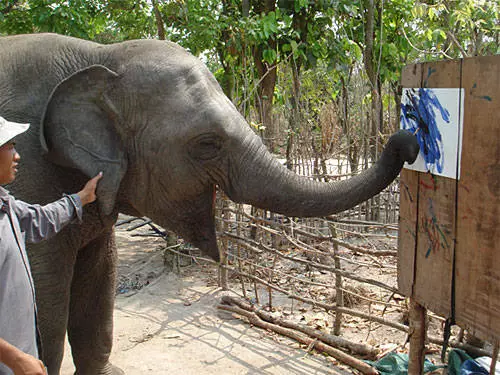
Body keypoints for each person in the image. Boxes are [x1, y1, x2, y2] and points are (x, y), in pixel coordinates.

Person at [0, 116, 103, 375]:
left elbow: (38, 220)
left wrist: (81, 198)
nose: (17, 156)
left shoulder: (5, 204)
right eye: (10, 145)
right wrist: (14, 359)